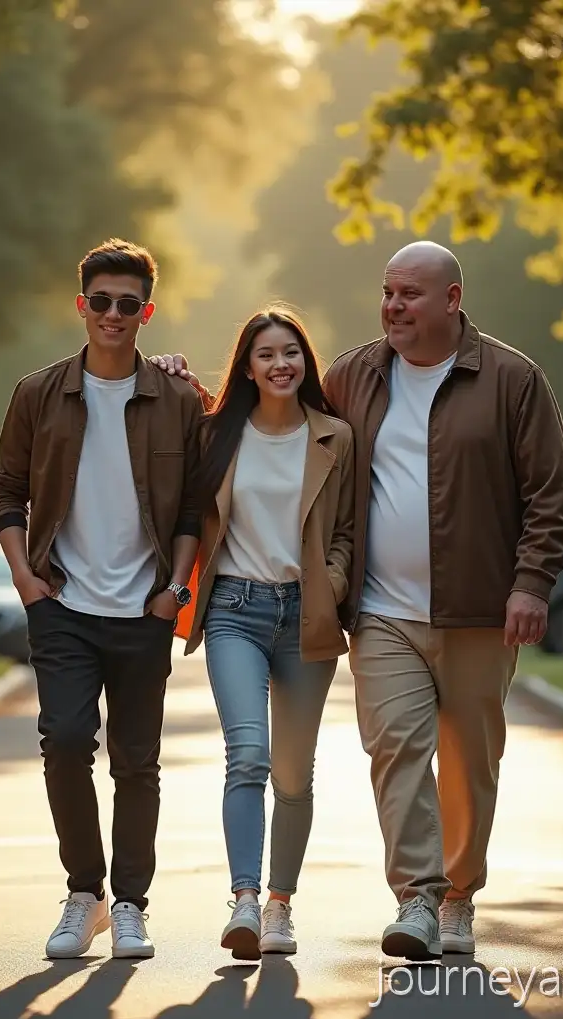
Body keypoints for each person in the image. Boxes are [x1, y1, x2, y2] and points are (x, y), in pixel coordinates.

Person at [149, 241, 563, 961]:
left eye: (410, 293)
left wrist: (530, 584)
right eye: (387, 292)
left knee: (470, 759)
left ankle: (460, 895)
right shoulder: (357, 374)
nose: (394, 306)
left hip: (476, 611)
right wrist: (188, 391)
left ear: (451, 300)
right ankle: (417, 895)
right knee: (395, 750)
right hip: (379, 610)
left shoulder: (510, 380)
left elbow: (550, 495)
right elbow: (273, 414)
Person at [0, 237, 203, 961]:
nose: (114, 314)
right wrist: (25, 580)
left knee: (138, 762)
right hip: (63, 605)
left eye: (128, 304)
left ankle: (133, 904)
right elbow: (6, 490)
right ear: (82, 306)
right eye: (101, 302)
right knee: (68, 743)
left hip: (145, 608)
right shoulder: (38, 394)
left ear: (147, 311)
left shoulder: (175, 398)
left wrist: (174, 590)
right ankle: (86, 894)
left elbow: (195, 507)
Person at [183, 308, 354, 960]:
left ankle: (282, 903)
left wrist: (331, 585)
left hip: (305, 616)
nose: (281, 364)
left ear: (305, 362)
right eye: (266, 355)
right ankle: (246, 899)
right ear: (247, 367)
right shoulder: (215, 436)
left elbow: (346, 533)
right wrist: (172, 369)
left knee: (292, 774)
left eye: (291, 353)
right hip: (234, 608)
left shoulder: (336, 437)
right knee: (247, 754)